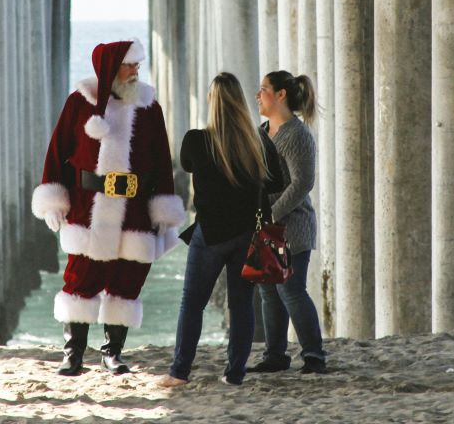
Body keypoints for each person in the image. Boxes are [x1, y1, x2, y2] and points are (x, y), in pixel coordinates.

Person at [31, 38, 186, 376]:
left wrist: (163, 212)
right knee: (81, 279)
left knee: (127, 281)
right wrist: (54, 202)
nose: (135, 71)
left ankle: (112, 352)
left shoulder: (149, 107)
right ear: (111, 69)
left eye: (137, 65)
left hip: (135, 210)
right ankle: (73, 353)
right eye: (129, 65)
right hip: (89, 209)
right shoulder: (79, 103)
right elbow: (57, 152)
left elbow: (162, 162)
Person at [158, 73, 284, 388]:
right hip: (247, 234)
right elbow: (277, 182)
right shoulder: (258, 141)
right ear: (240, 103)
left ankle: (179, 372)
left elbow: (185, 165)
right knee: (241, 304)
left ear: (212, 102)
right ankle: (235, 373)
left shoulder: (197, 140)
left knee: (192, 302)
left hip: (211, 235)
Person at [249, 70, 328, 374]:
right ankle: (275, 356)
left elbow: (302, 183)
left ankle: (314, 356)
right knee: (269, 290)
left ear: (281, 94)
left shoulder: (296, 133)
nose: (258, 95)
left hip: (292, 226)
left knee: (291, 290)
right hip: (265, 225)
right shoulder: (261, 131)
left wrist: (271, 214)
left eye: (263, 89)